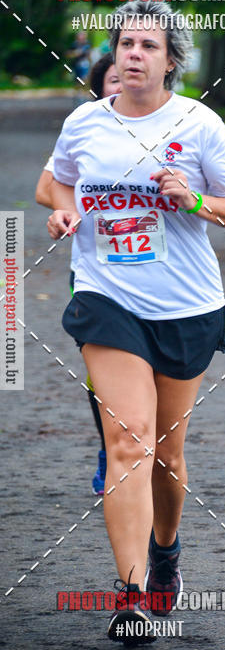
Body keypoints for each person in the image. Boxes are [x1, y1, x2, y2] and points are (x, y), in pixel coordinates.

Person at [47, 0, 225, 645]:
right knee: (128, 442)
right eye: (126, 44)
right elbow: (55, 181)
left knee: (167, 455)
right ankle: (131, 593)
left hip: (186, 306)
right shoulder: (85, 123)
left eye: (147, 46)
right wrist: (63, 211)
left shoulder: (199, 124)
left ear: (171, 62)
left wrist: (192, 198)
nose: (133, 55)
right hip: (109, 299)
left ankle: (166, 550)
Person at [36, 52, 122, 495]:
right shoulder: (85, 126)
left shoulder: (176, 125)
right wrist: (65, 210)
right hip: (94, 273)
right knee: (102, 373)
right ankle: (113, 448)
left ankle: (145, 448)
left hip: (162, 278)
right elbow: (44, 188)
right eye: (112, 79)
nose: (122, 83)